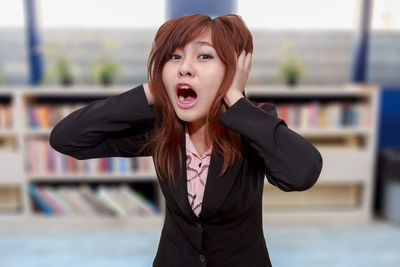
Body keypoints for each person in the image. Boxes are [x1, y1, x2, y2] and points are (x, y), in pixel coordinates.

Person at [49, 13, 323, 267]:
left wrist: (236, 100)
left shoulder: (253, 123)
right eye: (174, 57)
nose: (185, 68)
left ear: (232, 70)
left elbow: (301, 174)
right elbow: (66, 138)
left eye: (204, 56)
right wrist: (152, 89)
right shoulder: (161, 127)